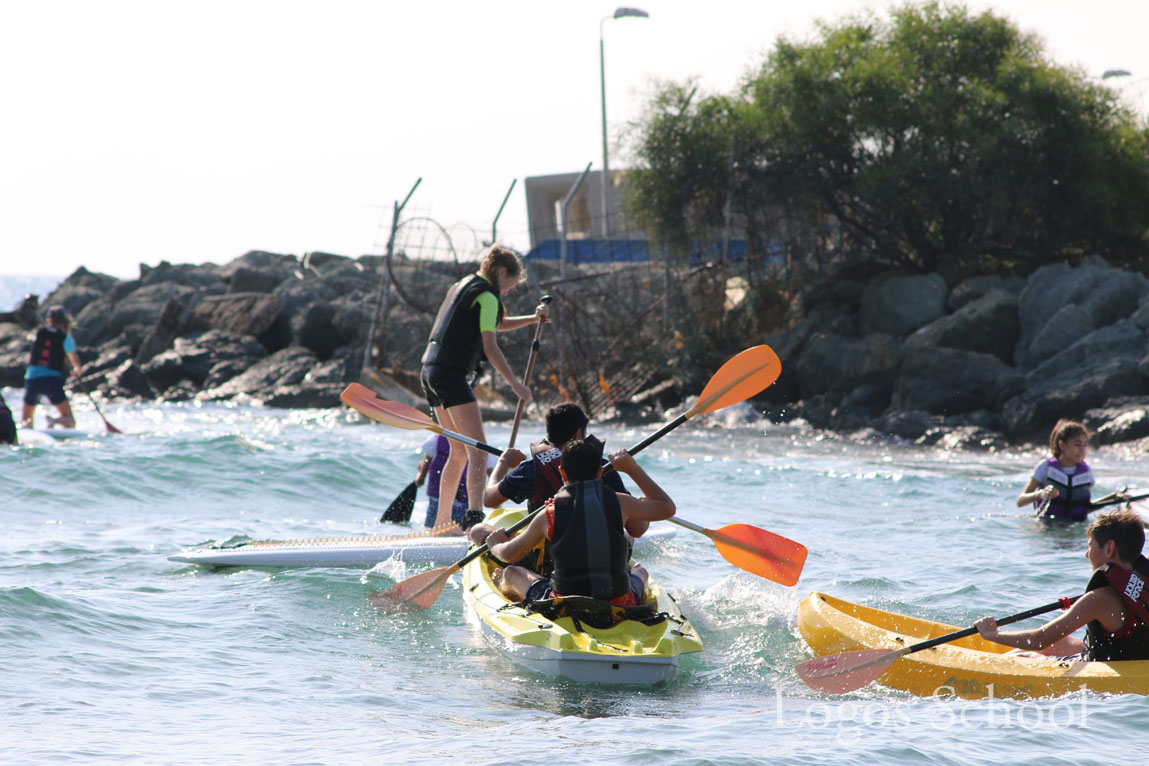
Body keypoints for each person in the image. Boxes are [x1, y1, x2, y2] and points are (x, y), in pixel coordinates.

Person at [420, 244, 548, 533]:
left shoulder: (463, 285)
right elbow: (490, 347)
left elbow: (497, 323)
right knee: (477, 452)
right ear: (502, 272)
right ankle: (474, 522)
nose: (505, 293)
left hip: (429, 372)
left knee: (458, 450)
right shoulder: (488, 296)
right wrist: (516, 384)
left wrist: (533, 319)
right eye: (509, 286)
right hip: (451, 376)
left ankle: (441, 524)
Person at [483, 437, 675, 607]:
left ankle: (504, 583)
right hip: (620, 603)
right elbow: (667, 507)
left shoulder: (549, 513)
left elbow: (508, 554)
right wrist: (632, 469)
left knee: (511, 572)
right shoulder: (621, 502)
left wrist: (495, 545)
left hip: (564, 604)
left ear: (562, 474)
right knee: (641, 573)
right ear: (600, 472)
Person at [974, 509, 1149, 661]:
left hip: (1105, 670)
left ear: (1109, 548)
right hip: (1132, 657)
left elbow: (1038, 640)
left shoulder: (1100, 599)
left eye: (1090, 546)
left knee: (1023, 655)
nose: (1087, 554)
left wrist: (991, 634)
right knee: (1061, 642)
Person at [467, 402, 640, 546]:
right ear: (579, 433)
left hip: (543, 550)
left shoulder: (529, 468)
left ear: (549, 433)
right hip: (595, 547)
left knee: (477, 530)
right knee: (627, 537)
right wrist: (637, 499)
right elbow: (636, 527)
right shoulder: (601, 467)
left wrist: (504, 462)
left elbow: (489, 499)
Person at [1018, 419, 1100, 521]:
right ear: (1062, 445)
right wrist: (1041, 494)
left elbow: (1084, 508)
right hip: (1047, 529)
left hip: (1075, 532)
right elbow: (1020, 501)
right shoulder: (1045, 467)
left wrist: (1114, 498)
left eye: (1085, 445)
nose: (1082, 450)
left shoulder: (1087, 472)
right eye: (1077, 444)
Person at [416, 434, 496, 529]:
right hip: (460, 505)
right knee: (460, 530)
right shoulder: (479, 444)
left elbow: (425, 465)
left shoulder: (435, 439)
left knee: (431, 528)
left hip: (440, 503)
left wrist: (420, 475)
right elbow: (491, 476)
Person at [22, 305, 83, 429]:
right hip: (52, 380)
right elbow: (74, 358)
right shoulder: (65, 338)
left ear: (49, 320)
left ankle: (27, 430)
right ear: (65, 321)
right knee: (70, 421)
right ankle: (54, 421)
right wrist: (77, 369)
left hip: (32, 378)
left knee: (26, 421)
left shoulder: (38, 333)